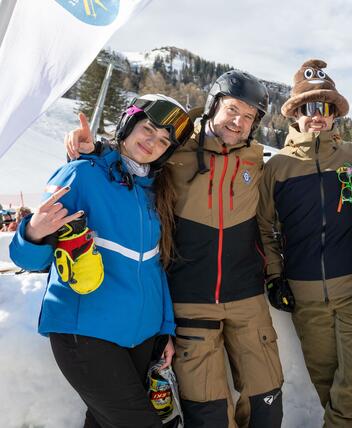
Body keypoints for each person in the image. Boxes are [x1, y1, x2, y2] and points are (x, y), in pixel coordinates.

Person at [65, 71, 284, 428]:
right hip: (190, 298)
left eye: (249, 117)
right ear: (214, 105)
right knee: (208, 411)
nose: (239, 122)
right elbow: (131, 161)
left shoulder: (257, 160)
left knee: (267, 404)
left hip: (247, 297)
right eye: (233, 110)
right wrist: (95, 149)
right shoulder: (175, 151)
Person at [10, 94, 192, 427]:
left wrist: (165, 330)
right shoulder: (81, 174)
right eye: (148, 129)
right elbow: (30, 259)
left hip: (142, 335)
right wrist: (33, 232)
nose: (153, 142)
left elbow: (154, 267)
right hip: (86, 332)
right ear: (128, 124)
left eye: (164, 140)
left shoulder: (154, 192)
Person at [257, 59, 352, 427]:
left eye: (325, 108)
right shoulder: (276, 167)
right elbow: (265, 228)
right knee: (329, 389)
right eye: (309, 107)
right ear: (295, 113)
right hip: (306, 297)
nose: (318, 116)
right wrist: (275, 276)